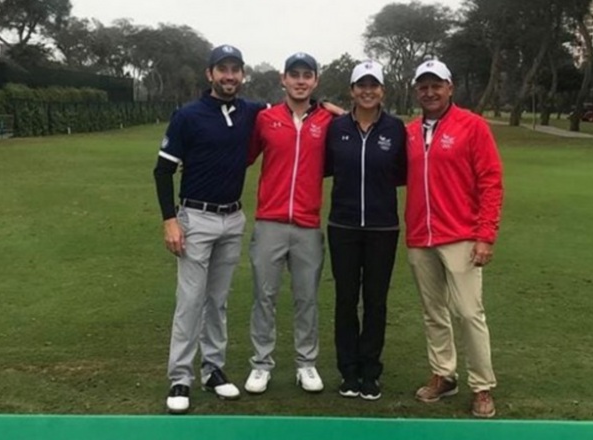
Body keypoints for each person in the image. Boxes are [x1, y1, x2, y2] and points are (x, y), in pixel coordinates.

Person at [153, 44, 265, 415]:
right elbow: (163, 170)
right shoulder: (188, 115)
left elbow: (291, 110)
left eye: (235, 69)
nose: (229, 76)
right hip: (195, 219)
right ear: (210, 74)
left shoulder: (250, 111)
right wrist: (170, 220)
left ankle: (213, 369)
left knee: (217, 300)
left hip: (232, 218)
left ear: (242, 75)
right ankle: (180, 377)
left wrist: (328, 108)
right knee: (190, 300)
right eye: (223, 69)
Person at [405, 59, 503, 418]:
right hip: (420, 236)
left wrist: (486, 235)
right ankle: (444, 376)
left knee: (468, 312)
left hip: (461, 235)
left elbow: (491, 181)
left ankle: (482, 386)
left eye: (436, 85)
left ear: (450, 87)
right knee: (434, 313)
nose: (429, 92)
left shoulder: (472, 126)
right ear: (417, 90)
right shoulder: (411, 131)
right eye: (423, 86)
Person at [242, 52, 334, 395]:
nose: (300, 80)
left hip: (308, 224)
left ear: (315, 81)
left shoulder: (327, 122)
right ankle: (261, 364)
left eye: (306, 75)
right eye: (294, 74)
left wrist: (335, 110)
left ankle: (305, 364)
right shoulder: (266, 119)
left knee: (306, 297)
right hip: (270, 222)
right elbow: (244, 155)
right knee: (263, 295)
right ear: (283, 79)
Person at [324, 60, 407, 401]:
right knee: (345, 300)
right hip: (342, 225)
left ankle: (370, 372)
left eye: (374, 85)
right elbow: (327, 166)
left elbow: (402, 173)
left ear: (382, 91)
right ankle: (349, 372)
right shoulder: (337, 128)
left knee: (375, 302)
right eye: (362, 85)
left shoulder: (396, 129)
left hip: (382, 228)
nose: (368, 90)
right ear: (352, 90)